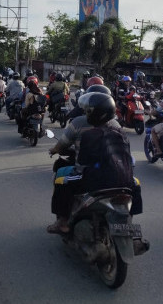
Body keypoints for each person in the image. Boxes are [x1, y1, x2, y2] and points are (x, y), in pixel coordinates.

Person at [46, 92, 132, 234]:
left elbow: (82, 161)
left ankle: (62, 221)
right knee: (135, 185)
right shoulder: (118, 128)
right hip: (123, 178)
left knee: (61, 179)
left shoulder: (84, 129)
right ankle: (129, 224)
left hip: (95, 179)